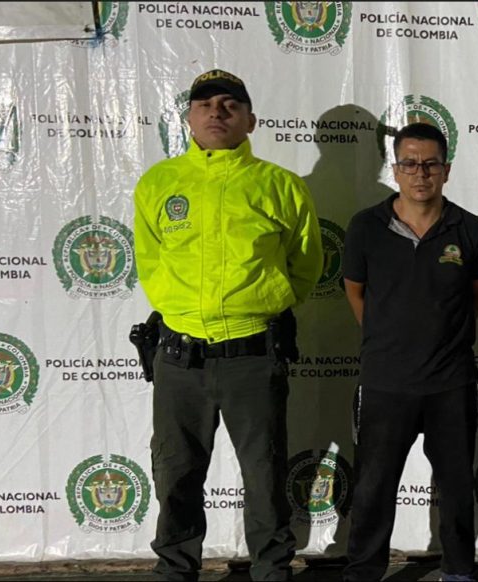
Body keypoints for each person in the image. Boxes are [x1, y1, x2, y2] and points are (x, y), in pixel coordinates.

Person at [133, 69, 323, 582]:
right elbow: (149, 262)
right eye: (205, 104)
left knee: (264, 476)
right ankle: (175, 570)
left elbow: (305, 265)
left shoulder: (280, 186)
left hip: (253, 357)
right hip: (178, 359)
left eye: (230, 104)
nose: (217, 112)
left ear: (251, 120)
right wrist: (182, 315)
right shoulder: (159, 184)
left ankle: (271, 571)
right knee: (175, 474)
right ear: (189, 117)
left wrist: (263, 305)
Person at [341, 122, 478, 582]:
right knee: (372, 486)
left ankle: (459, 571)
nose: (420, 173)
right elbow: (356, 293)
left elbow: (477, 296)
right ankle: (365, 571)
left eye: (430, 164)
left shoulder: (469, 230)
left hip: (452, 382)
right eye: (410, 163)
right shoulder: (366, 227)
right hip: (386, 383)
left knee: (455, 485)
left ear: (446, 170)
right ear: (396, 169)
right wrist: (391, 342)